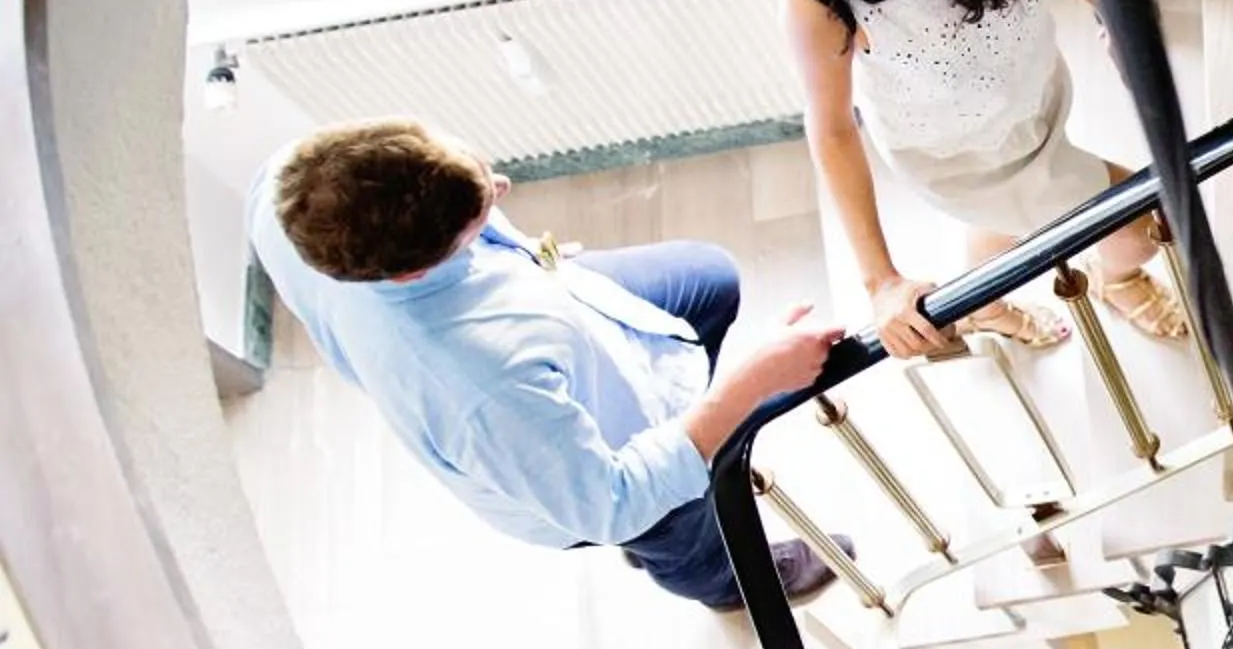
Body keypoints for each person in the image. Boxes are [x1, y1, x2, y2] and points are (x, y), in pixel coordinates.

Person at [247, 118, 850, 612]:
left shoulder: (290, 182)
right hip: (599, 481)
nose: (503, 186)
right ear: (412, 271)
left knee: (708, 280)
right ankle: (721, 581)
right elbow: (611, 503)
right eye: (481, 216)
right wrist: (750, 384)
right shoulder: (477, 384)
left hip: (560, 307)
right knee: (672, 519)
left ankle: (689, 448)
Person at [745, 0, 1189, 360]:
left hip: (1030, 95)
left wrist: (1115, 13)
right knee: (1144, 225)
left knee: (1005, 222)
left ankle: (984, 302)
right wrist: (881, 282)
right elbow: (830, 129)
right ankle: (1121, 277)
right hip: (955, 156)